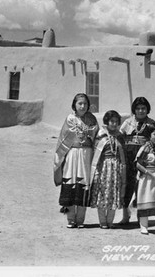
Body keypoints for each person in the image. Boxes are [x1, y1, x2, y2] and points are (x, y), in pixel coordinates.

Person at [53, 93, 99, 229]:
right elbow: (66, 137)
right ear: (74, 104)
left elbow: (96, 135)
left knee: (84, 182)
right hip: (72, 153)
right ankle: (70, 218)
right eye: (80, 103)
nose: (83, 106)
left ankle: (80, 219)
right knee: (71, 181)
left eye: (85, 103)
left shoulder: (92, 119)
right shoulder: (70, 118)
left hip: (86, 154)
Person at [118, 97, 155, 224]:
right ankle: (125, 216)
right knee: (127, 184)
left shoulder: (152, 124)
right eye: (138, 108)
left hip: (144, 158)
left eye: (143, 108)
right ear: (134, 110)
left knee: (142, 186)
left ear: (147, 109)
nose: (141, 111)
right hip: (129, 157)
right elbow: (120, 138)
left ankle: (142, 217)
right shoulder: (128, 123)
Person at [89, 110, 126, 229]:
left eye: (116, 122)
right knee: (102, 193)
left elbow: (122, 154)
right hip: (104, 168)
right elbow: (95, 153)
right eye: (112, 121)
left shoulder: (120, 136)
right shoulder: (101, 136)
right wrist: (96, 172)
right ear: (107, 122)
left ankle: (110, 221)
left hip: (116, 169)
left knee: (113, 194)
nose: (114, 124)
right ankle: (102, 221)